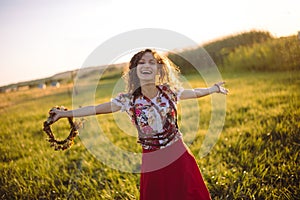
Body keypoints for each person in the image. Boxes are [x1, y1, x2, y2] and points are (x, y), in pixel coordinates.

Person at [50, 49, 228, 200]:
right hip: (153, 159)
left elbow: (194, 92)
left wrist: (213, 89)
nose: (147, 65)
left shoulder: (168, 91)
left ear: (158, 70)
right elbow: (97, 108)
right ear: (135, 70)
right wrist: (65, 113)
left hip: (179, 154)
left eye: (152, 62)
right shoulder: (128, 100)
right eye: (142, 62)